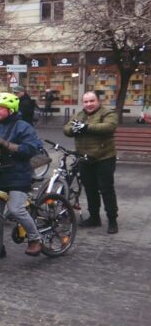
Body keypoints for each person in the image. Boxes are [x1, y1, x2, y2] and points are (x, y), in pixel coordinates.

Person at [0, 92, 44, 256]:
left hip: (18, 175)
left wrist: (8, 145)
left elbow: (33, 148)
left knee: (16, 209)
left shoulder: (23, 127)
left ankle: (35, 239)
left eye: (0, 107)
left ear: (11, 110)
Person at [63, 91, 119, 233]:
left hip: (104, 157)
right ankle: (94, 217)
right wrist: (74, 129)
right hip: (85, 158)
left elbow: (109, 127)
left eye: (92, 101)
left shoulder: (108, 113)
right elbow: (66, 128)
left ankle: (112, 220)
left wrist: (85, 127)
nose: (89, 104)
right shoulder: (79, 114)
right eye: (86, 102)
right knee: (90, 189)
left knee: (106, 189)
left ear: (98, 101)